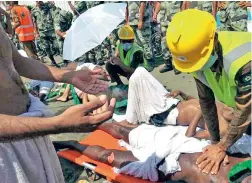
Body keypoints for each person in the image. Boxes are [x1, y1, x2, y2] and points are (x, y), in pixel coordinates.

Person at [0, 24, 115, 182]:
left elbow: (16, 61)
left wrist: (66, 76)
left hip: (32, 130)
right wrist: (57, 124)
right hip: (6, 150)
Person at [166, 9, 251, 175]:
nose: (197, 70)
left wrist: (221, 147)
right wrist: (215, 142)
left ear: (213, 44)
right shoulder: (196, 57)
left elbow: (246, 109)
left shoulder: (243, 60)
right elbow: (206, 101)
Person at [53, 122, 251, 183]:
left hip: (159, 165)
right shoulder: (248, 159)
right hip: (174, 141)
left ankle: (72, 144)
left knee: (107, 157)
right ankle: (88, 121)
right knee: (124, 131)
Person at [119, 67, 232, 140]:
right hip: (171, 102)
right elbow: (197, 101)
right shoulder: (224, 107)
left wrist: (199, 113)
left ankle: (131, 119)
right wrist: (182, 93)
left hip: (165, 114)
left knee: (137, 78)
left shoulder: (222, 128)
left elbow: (190, 135)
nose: (232, 110)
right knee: (140, 71)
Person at [153, 1, 182, 74]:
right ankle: (168, 63)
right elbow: (159, 3)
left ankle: (177, 65)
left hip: (175, 20)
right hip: (164, 21)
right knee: (164, 42)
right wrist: (155, 13)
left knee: (175, 43)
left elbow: (184, 2)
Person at [126, 1, 154, 71]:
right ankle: (144, 62)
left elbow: (142, 4)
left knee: (145, 41)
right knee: (138, 44)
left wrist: (140, 20)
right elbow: (126, 8)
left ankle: (150, 61)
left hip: (142, 21)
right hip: (132, 22)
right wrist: (127, 21)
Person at [32, 1, 60, 67]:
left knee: (57, 46)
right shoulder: (34, 10)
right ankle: (53, 62)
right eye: (36, 1)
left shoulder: (47, 5)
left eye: (39, 0)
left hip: (51, 31)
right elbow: (34, 22)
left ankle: (65, 60)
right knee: (46, 48)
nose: (38, 1)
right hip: (42, 33)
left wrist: (53, 3)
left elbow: (54, 8)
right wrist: (36, 32)